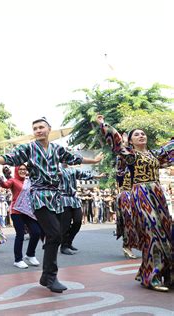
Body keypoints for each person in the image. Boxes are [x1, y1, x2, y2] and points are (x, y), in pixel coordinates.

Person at [0, 117, 103, 293]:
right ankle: (50, 277)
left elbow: (75, 158)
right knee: (54, 233)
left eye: (41, 127)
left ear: (49, 129)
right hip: (39, 195)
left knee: (54, 236)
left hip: (56, 197)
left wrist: (94, 162)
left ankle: (46, 276)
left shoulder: (58, 149)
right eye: (35, 128)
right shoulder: (28, 148)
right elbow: (10, 157)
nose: (38, 130)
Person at [97, 114, 173, 292]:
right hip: (141, 195)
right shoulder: (129, 155)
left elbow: (171, 147)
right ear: (130, 141)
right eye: (137, 134)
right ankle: (151, 277)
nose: (141, 135)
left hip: (158, 195)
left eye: (143, 133)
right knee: (151, 233)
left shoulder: (155, 154)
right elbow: (116, 143)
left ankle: (166, 275)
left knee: (167, 234)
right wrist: (103, 125)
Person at [0, 165, 41, 269]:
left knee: (36, 232)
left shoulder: (30, 181)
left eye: (24, 169)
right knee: (20, 235)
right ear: (16, 170)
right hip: (16, 211)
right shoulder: (13, 180)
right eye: (20, 169)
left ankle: (30, 254)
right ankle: (18, 260)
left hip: (28, 212)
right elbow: (4, 185)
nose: (22, 171)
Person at [59, 164, 103, 255]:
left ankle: (69, 242)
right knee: (65, 225)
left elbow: (84, 175)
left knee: (78, 221)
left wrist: (97, 176)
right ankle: (64, 246)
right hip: (63, 198)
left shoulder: (73, 170)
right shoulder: (56, 169)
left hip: (74, 199)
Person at [114, 156, 138, 259]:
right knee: (128, 221)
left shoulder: (141, 159)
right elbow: (119, 178)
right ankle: (127, 246)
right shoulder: (122, 163)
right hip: (126, 195)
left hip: (139, 194)